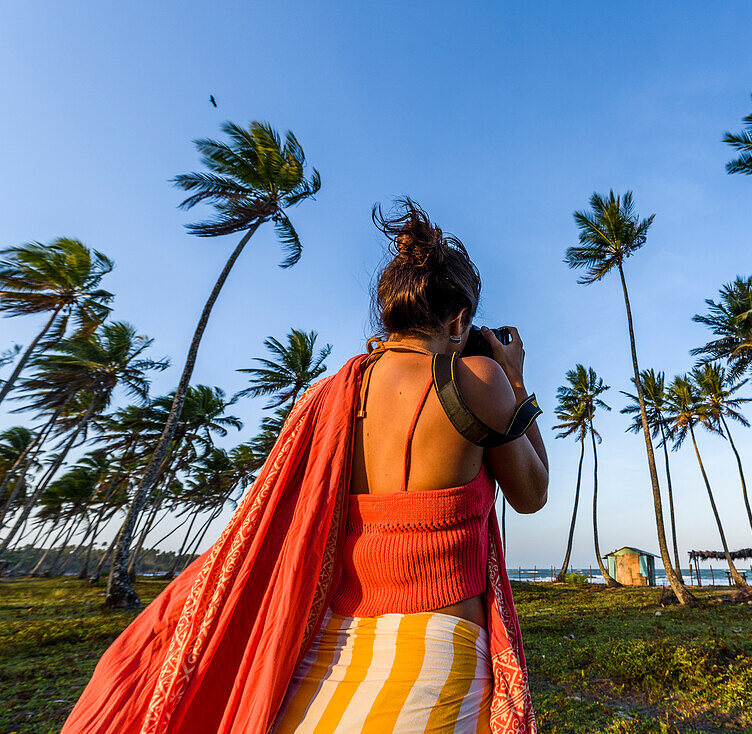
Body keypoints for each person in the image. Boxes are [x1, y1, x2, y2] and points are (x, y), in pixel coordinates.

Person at [61, 199, 548, 734]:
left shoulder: (326, 397)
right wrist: (515, 379)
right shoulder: (476, 379)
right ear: (459, 320)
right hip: (439, 645)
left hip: (331, 648)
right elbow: (531, 492)